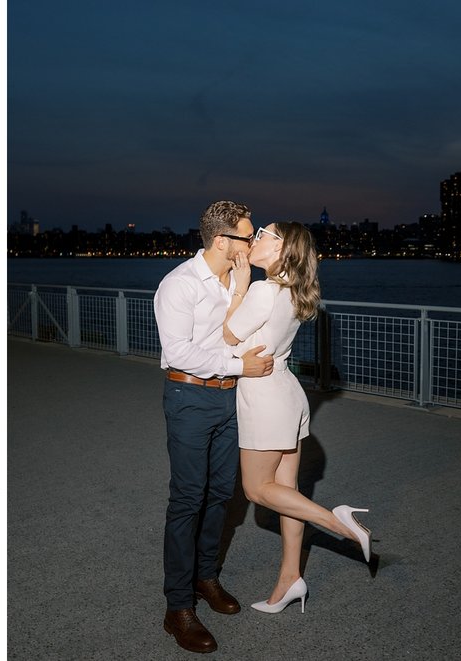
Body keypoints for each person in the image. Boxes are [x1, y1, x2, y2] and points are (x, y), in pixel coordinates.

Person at [222, 222, 372, 614]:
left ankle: (340, 523)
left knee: (257, 491)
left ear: (282, 247)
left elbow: (228, 337)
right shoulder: (294, 291)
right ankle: (291, 578)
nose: (254, 241)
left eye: (263, 235)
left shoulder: (262, 289)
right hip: (289, 394)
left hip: (263, 397)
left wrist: (239, 286)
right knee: (288, 493)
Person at [154, 201, 275, 654]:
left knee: (222, 492)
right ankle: (177, 606)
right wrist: (238, 364)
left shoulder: (237, 282)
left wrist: (244, 288)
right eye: (248, 236)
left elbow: (240, 333)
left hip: (231, 397)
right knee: (187, 498)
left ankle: (206, 577)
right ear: (223, 241)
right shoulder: (180, 285)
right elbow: (180, 352)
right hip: (190, 397)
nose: (253, 242)